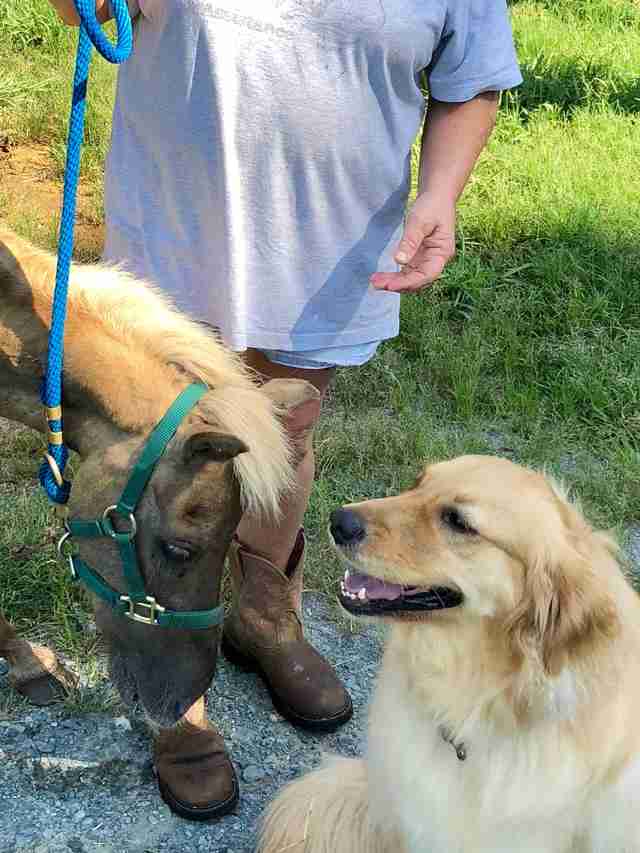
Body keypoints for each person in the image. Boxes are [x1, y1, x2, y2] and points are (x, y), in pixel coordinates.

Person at [50, 0, 522, 821]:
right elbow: (79, 11)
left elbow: (471, 78)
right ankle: (175, 693)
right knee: (169, 467)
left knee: (287, 437)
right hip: (175, 235)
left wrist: (442, 193)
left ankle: (265, 618)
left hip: (333, 247)